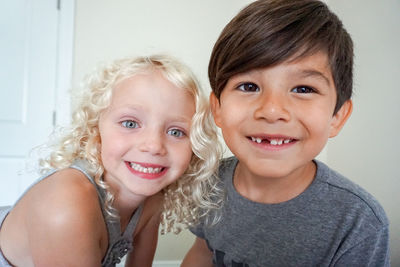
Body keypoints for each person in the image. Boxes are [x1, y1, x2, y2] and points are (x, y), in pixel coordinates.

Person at [182, 0, 390, 266]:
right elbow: (202, 251)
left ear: (337, 117)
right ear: (218, 108)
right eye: (248, 86)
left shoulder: (359, 222)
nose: (271, 110)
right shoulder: (208, 182)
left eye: (303, 89)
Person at [0, 54, 221, 266]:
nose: (153, 146)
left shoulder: (152, 200)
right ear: (96, 131)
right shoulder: (65, 206)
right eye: (130, 124)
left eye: (176, 132)